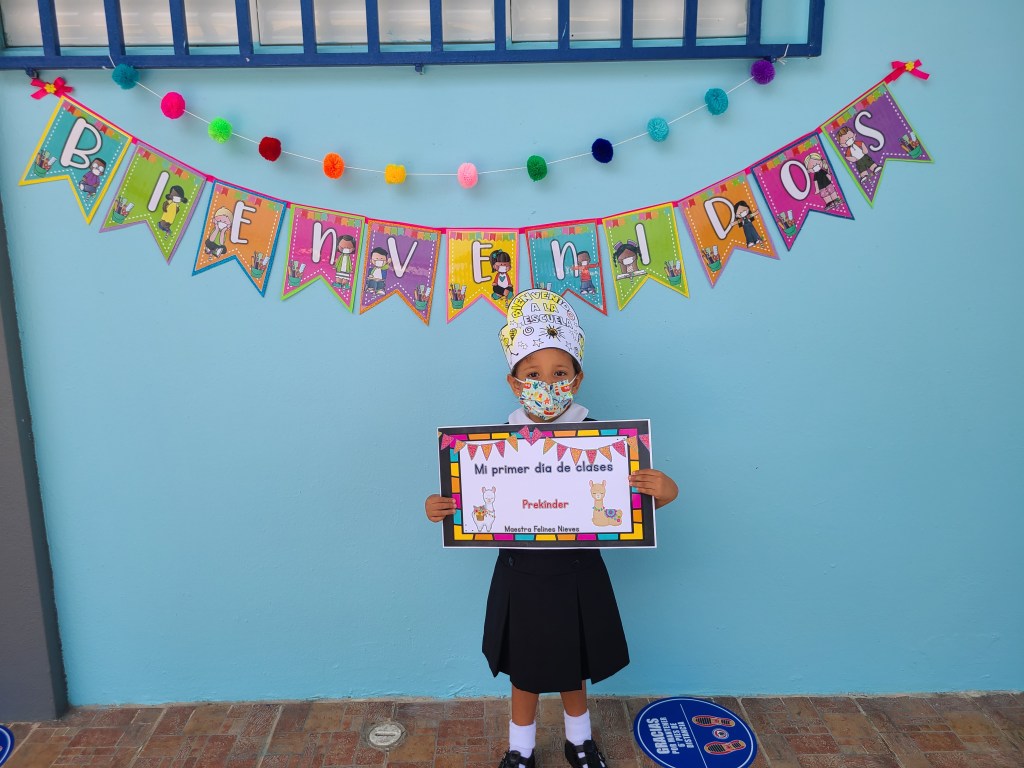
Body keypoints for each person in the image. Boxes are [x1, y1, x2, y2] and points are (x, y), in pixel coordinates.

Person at [425, 288, 678, 768]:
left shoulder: (606, 443)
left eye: (560, 374)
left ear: (577, 380)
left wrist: (664, 491)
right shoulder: (490, 448)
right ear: (514, 383)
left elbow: (632, 507)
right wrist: (442, 507)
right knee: (523, 670)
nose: (547, 384)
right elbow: (471, 504)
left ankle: (579, 741)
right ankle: (520, 748)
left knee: (572, 664)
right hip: (519, 573)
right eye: (534, 374)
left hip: (577, 571)